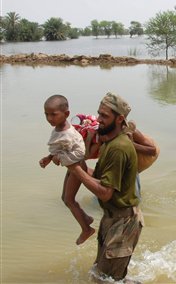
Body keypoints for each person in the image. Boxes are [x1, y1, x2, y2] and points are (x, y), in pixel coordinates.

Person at [67, 92, 143, 282]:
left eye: (105, 116)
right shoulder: (110, 143)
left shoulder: (118, 147)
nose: (98, 120)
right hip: (113, 218)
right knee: (102, 275)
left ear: (120, 119)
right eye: (99, 114)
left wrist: (76, 169)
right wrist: (82, 166)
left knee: (104, 278)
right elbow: (102, 179)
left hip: (122, 222)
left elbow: (105, 192)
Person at [39, 95, 95, 245]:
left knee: (69, 200)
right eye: (46, 114)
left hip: (77, 167)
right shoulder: (58, 129)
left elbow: (80, 153)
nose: (49, 118)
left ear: (66, 114)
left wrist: (61, 158)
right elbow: (59, 148)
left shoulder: (68, 133)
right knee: (65, 198)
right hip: (72, 167)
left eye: (53, 114)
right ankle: (86, 218)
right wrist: (50, 158)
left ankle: (86, 229)